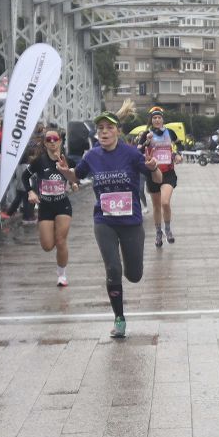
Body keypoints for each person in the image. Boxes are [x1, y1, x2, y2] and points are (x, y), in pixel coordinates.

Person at [60, 111, 161, 338]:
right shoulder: (92, 156)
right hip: (104, 221)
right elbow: (77, 176)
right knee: (113, 269)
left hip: (131, 221)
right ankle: (119, 319)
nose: (104, 132)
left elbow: (157, 180)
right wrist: (66, 172)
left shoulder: (132, 154)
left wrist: (154, 168)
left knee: (134, 275)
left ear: (117, 131)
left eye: (109, 128)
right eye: (100, 129)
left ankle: (130, 266)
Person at [24, 129, 76, 287]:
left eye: (55, 139)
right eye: (49, 139)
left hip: (62, 205)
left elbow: (76, 177)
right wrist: (30, 191)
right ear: (45, 143)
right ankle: (52, 231)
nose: (52, 142)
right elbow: (24, 177)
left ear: (60, 141)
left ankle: (62, 275)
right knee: (47, 246)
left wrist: (74, 183)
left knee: (61, 241)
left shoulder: (68, 160)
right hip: (45, 206)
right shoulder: (40, 161)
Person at [138, 107, 182, 247]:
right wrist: (146, 142)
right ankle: (158, 232)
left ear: (163, 119)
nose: (157, 120)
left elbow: (178, 144)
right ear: (151, 120)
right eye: (154, 118)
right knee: (156, 206)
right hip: (153, 173)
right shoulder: (147, 134)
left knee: (165, 202)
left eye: (159, 117)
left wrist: (178, 154)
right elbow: (138, 151)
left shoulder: (170, 132)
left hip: (168, 172)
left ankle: (167, 229)